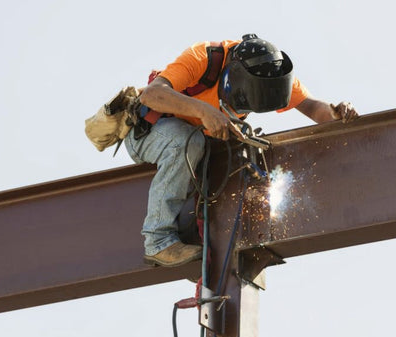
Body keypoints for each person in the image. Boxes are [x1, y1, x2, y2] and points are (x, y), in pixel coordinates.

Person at [125, 34, 358, 267]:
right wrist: (204, 111)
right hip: (150, 132)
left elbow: (313, 107)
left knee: (239, 158)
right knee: (186, 142)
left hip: (199, 142)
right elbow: (152, 94)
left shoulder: (272, 74)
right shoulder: (202, 58)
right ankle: (157, 240)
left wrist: (335, 114)